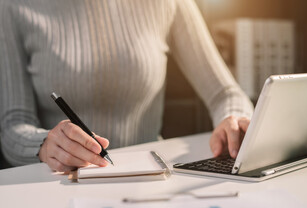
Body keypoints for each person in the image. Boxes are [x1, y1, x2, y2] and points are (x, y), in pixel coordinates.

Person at [0, 0, 253, 172]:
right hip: (61, 183)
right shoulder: (12, 7)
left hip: (152, 176)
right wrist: (44, 144)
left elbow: (225, 93)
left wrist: (235, 118)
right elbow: (12, 126)